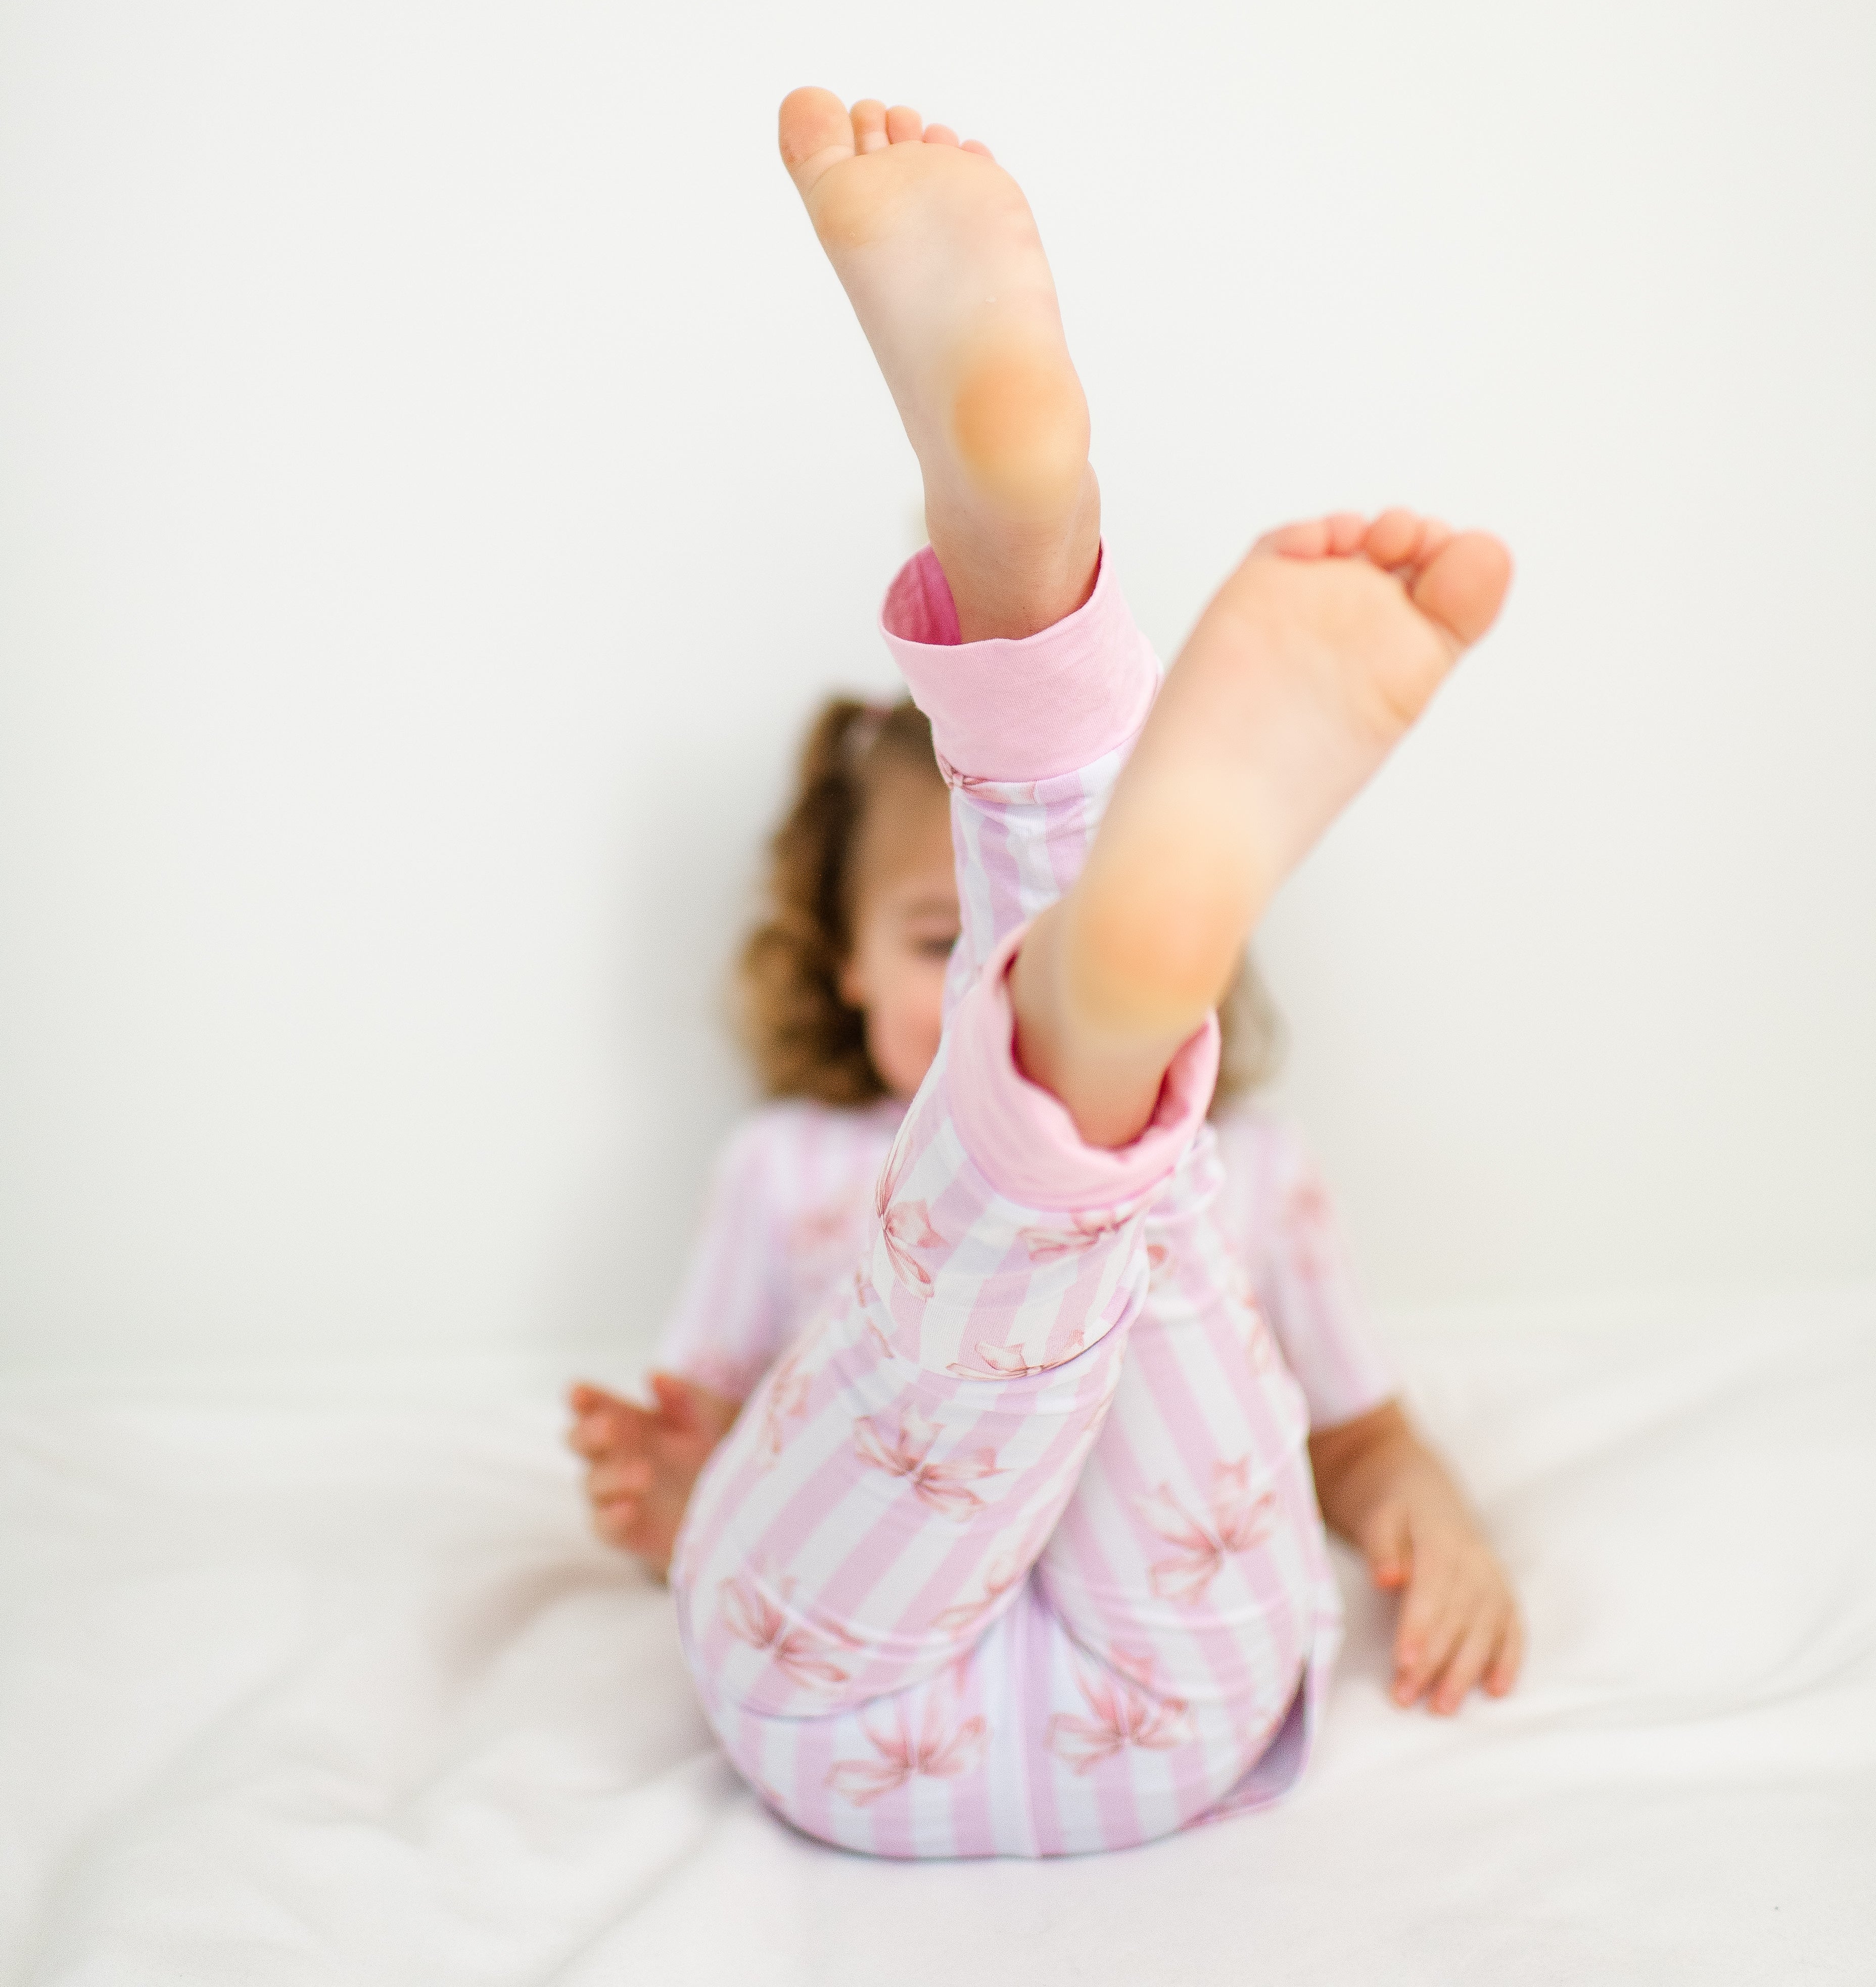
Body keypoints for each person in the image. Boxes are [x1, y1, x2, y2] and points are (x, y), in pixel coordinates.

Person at [569, 91, 1521, 1858]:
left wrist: (1436, 1523)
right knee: (1041, 1262)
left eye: (994, 949)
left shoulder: (1272, 1182)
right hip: (844, 1662)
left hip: (1158, 1658)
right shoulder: (779, 1173)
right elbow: (713, 1457)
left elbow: (1359, 1447)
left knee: (1141, 1226)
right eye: (946, 947)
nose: (959, 977)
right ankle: (1085, 945)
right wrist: (663, 1490)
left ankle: (1083, 1001)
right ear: (840, 972)